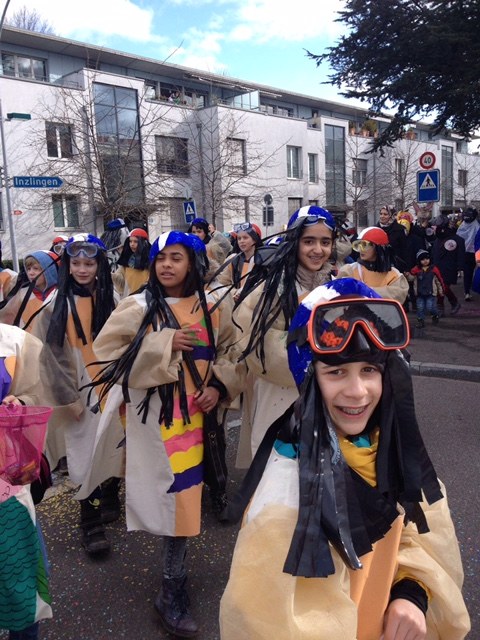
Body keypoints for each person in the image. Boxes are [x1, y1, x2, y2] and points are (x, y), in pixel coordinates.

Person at [220, 278, 470, 640]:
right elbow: (263, 622)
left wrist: (410, 593)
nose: (357, 391)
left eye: (369, 370)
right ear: (310, 379)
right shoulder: (285, 498)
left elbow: (420, 537)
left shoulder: (390, 453)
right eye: (336, 372)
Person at [83, 231, 239, 638]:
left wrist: (218, 385)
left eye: (176, 257)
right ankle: (172, 589)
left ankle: (173, 584)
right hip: (159, 421)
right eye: (160, 258)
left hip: (201, 418)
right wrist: (165, 342)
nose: (167, 265)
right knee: (177, 502)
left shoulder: (214, 305)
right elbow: (106, 356)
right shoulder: (137, 306)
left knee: (185, 501)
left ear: (193, 264)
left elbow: (232, 351)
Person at [33, 234, 122, 556]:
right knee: (85, 454)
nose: (83, 269)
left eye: (89, 263)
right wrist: (67, 397)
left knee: (115, 445)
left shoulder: (112, 298)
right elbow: (51, 357)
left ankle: (110, 494)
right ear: (67, 266)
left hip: (111, 385)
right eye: (76, 263)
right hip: (78, 390)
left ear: (100, 266)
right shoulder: (54, 305)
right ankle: (90, 520)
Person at [233, 205, 336, 467]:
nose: (318, 249)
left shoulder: (334, 286)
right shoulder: (272, 288)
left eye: (325, 242)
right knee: (280, 467)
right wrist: (316, 358)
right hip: (279, 394)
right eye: (309, 241)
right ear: (294, 242)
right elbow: (256, 342)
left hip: (324, 393)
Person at [0, 323, 53, 640]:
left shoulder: (13, 341)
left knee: (21, 573)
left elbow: (36, 393)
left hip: (6, 483)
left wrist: (19, 403)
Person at [337, 227, 409, 303]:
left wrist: (365, 291)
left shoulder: (394, 275)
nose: (361, 249)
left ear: (378, 248)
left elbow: (398, 296)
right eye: (359, 245)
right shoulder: (349, 270)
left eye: (365, 245)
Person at [0, 251, 58, 331]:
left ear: (50, 270)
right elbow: (5, 320)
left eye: (36, 268)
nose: (31, 273)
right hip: (27, 338)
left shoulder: (60, 295)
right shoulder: (22, 295)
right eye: (28, 269)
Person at [216, 222, 263, 300]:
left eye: (245, 237)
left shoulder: (263, 260)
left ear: (255, 240)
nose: (241, 241)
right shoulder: (232, 260)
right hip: (235, 303)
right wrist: (235, 292)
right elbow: (222, 283)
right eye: (239, 238)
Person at [431, 215, 464, 315]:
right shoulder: (437, 238)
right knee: (440, 286)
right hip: (438, 266)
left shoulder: (455, 239)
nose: (433, 228)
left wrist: (460, 267)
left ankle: (445, 305)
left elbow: (460, 253)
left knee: (442, 286)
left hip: (449, 267)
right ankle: (446, 305)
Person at [112, 228, 151, 298]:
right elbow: (119, 280)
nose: (132, 244)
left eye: (135, 241)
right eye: (130, 241)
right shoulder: (126, 261)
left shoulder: (151, 262)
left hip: (146, 298)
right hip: (129, 299)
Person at [409, 249, 444, 328]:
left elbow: (439, 281)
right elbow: (411, 278)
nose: (425, 261)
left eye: (427, 259)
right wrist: (407, 275)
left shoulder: (434, 269)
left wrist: (441, 291)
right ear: (419, 261)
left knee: (430, 307)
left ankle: (435, 315)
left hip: (431, 293)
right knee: (420, 308)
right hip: (420, 293)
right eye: (423, 259)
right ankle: (420, 321)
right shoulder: (416, 270)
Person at [456, 206, 480, 300]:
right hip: (475, 252)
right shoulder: (477, 225)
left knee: (467, 272)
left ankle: (467, 292)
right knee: (475, 271)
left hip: (465, 252)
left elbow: (458, 237)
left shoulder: (462, 225)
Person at [377, 205, 408, 270]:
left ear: (391, 216)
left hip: (396, 266)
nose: (382, 216)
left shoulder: (399, 229)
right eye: (381, 214)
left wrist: (406, 268)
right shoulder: (375, 229)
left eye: (385, 214)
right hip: (378, 265)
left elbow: (405, 249)